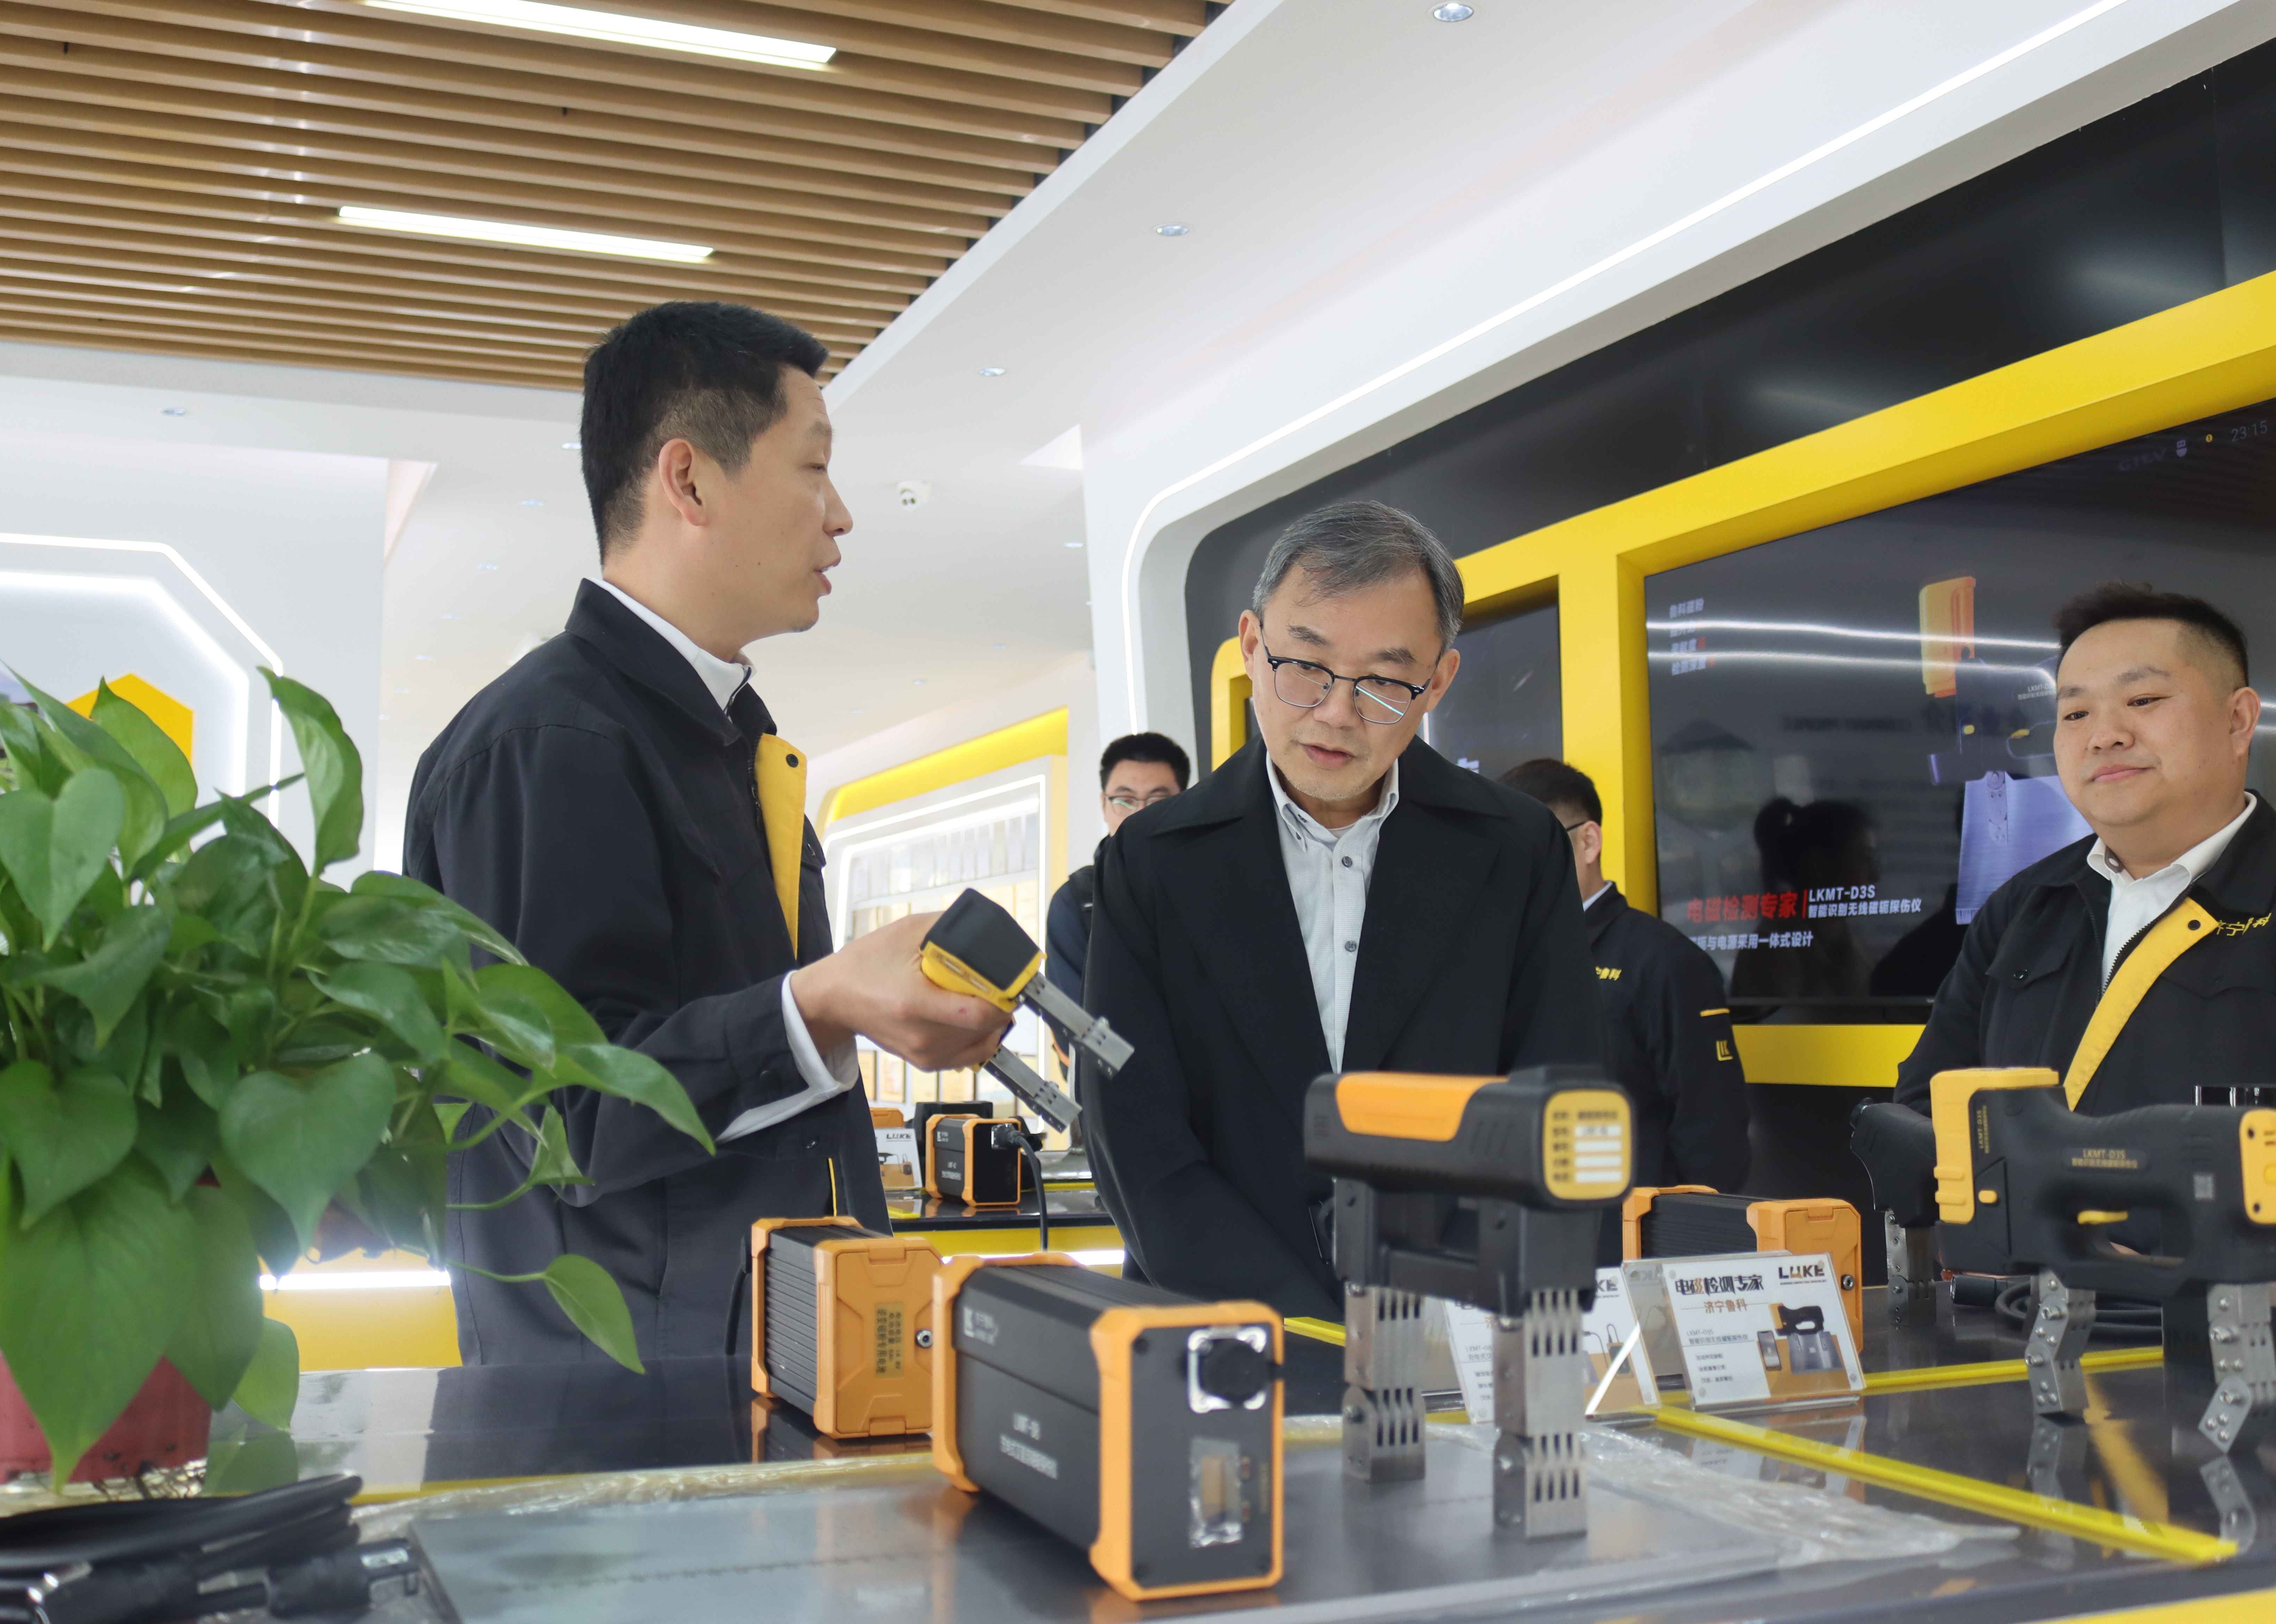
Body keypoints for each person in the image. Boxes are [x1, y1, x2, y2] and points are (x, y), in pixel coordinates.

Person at [405, 303, 1009, 1364]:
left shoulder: (721, 740)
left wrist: (846, 1010)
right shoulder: (548, 742)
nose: (840, 516)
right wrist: (821, 1001)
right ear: (687, 480)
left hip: (757, 1368)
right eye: (813, 468)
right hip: (621, 1404)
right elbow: (573, 1109)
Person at [1082, 500, 1603, 1318]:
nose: (1335, 711)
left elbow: (1556, 1102)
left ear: (1438, 681)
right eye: (1305, 665)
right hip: (1216, 1327)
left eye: (1385, 681)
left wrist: (1437, 1309)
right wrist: (1304, 1326)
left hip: (1449, 1324)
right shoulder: (1150, 861)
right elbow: (1134, 1136)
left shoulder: (1516, 848)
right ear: (1252, 645)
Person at [1897, 583, 2271, 1115]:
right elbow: (1927, 1107)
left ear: (2238, 720)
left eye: (2142, 701)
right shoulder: (2023, 907)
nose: (2104, 736)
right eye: (2075, 714)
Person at [1499, 759, 1748, 1192]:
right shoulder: (1499, 961)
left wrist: (1681, 1228)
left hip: (1630, 1224)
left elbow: (1712, 1136)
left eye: (1530, 846)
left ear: (1588, 841)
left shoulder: (1664, 961)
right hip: (1525, 1217)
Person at [1044, 732, 1191, 1009]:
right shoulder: (1076, 902)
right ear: (1104, 805)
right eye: (1124, 801)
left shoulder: (1212, 885)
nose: (1140, 816)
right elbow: (1074, 1022)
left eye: (1158, 801)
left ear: (1184, 802)